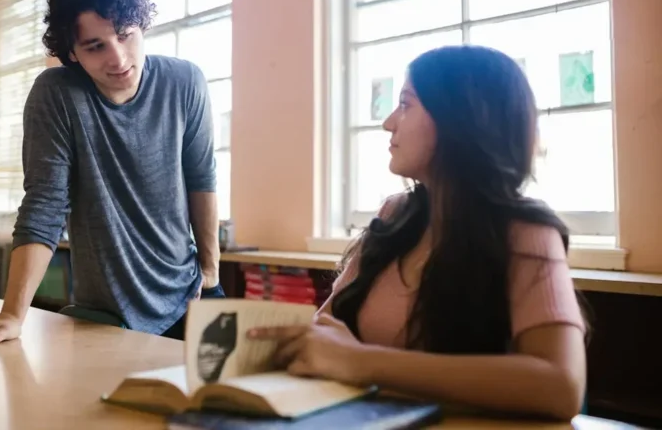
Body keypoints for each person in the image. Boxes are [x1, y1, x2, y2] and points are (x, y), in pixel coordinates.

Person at [248, 45, 588, 421]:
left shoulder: (527, 232)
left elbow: (561, 386)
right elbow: (327, 328)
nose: (389, 122)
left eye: (406, 104)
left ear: (459, 119)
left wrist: (362, 362)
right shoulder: (395, 216)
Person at [0, 0, 222, 345]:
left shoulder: (186, 82)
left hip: (190, 296)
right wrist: (13, 313)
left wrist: (211, 271)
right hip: (106, 313)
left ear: (142, 26)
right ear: (72, 53)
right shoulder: (57, 95)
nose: (118, 58)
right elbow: (45, 205)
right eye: (96, 46)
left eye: (125, 35)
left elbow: (201, 177)